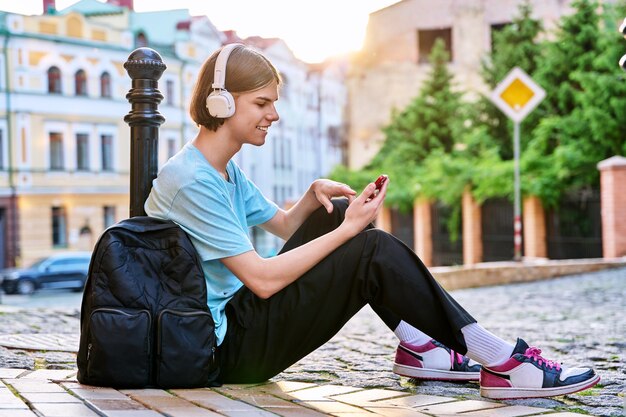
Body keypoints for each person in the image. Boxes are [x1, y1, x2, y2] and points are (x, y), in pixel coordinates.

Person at [145, 43, 600, 400]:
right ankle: (501, 360)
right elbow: (262, 280)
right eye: (262, 103)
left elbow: (283, 227)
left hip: (231, 326)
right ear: (222, 103)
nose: (274, 115)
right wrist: (348, 233)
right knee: (366, 246)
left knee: (336, 212)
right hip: (219, 351)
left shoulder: (220, 169)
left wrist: (310, 200)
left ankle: (421, 348)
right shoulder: (192, 181)